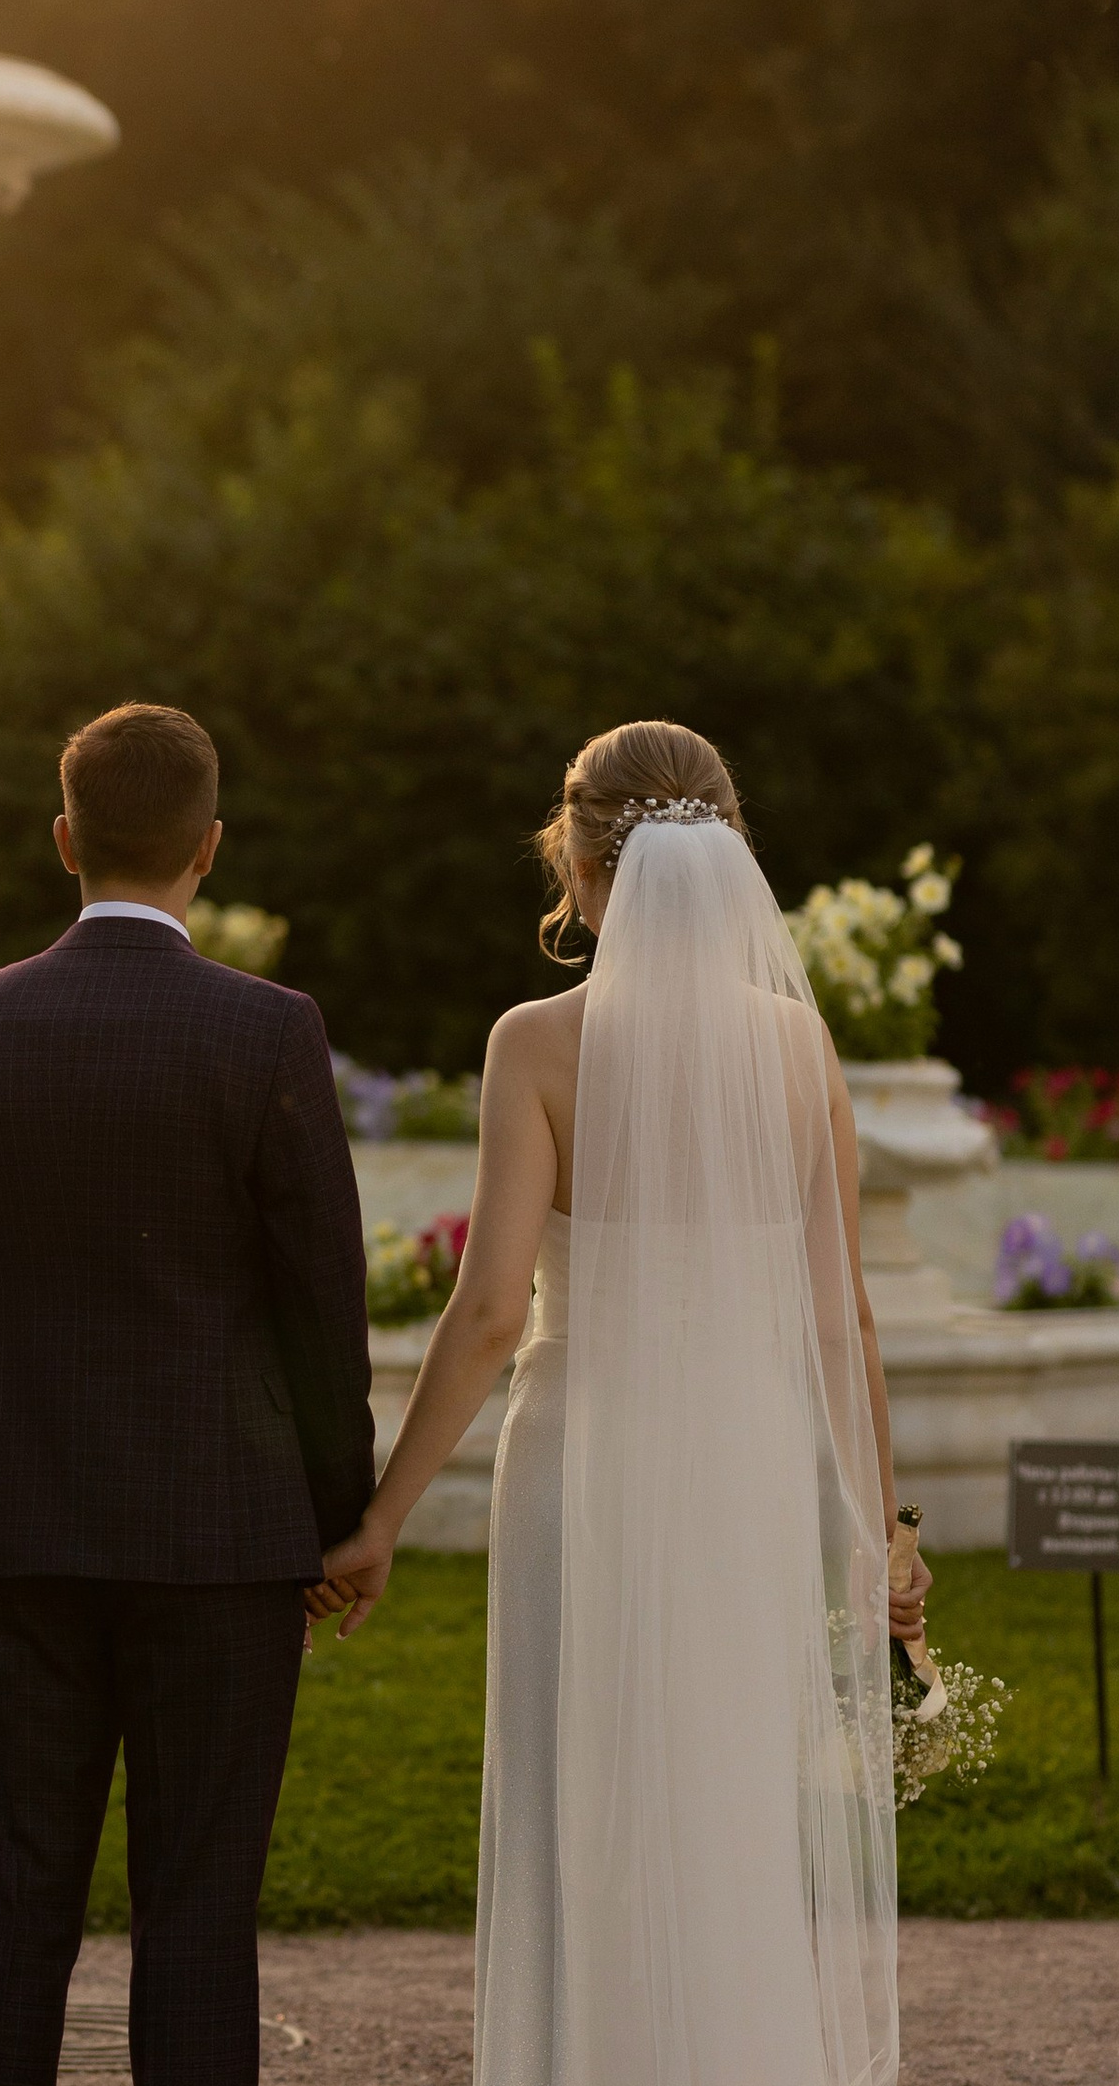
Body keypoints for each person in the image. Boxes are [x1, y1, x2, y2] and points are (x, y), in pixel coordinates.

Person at [309, 720, 925, 2086]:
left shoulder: (538, 1044)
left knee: (579, 1810)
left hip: (582, 1467)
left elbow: (486, 1318)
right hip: (752, 1465)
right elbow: (841, 1319)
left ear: (581, 873)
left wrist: (379, 1518)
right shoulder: (800, 1050)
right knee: (731, 1814)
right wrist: (885, 1525)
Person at [0, 701, 374, 2086]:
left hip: (15, 1523)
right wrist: (334, 1515)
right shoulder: (268, 1034)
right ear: (208, 848)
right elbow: (319, 1308)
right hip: (225, 1538)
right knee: (203, 1912)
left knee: (19, 1904)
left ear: (65, 839)